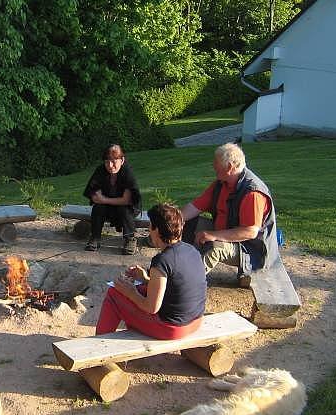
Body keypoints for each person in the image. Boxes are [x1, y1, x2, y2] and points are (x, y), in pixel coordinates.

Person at [95, 203, 206, 339]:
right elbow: (175, 286)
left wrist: (130, 292)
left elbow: (152, 308)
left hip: (174, 329)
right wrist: (145, 279)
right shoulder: (191, 249)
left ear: (157, 230)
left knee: (114, 294)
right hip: (196, 321)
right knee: (141, 288)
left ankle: (99, 344)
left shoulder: (162, 260)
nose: (149, 230)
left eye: (150, 226)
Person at [180, 142, 280, 279]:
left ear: (229, 167)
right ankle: (179, 266)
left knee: (215, 247)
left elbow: (249, 232)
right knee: (188, 224)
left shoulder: (252, 193)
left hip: (250, 249)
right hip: (227, 232)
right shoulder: (221, 184)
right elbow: (194, 207)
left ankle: (185, 284)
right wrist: (171, 220)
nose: (213, 166)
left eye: (216, 163)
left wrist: (213, 235)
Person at [82, 143, 141, 255]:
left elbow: (126, 200)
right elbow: (94, 196)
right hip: (108, 207)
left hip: (128, 208)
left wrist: (104, 199)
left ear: (122, 160)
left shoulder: (127, 172)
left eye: (113, 161)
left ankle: (130, 239)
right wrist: (102, 200)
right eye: (106, 162)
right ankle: (95, 238)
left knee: (124, 209)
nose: (110, 165)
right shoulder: (100, 170)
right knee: (98, 208)